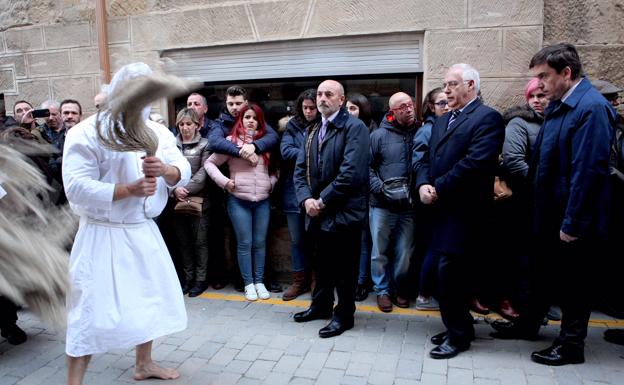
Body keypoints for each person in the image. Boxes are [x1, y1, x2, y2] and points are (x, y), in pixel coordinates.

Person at [62, 62, 191, 384]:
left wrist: (166, 172)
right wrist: (126, 190)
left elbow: (181, 168)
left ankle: (143, 363)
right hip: (101, 234)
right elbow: (75, 186)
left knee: (149, 300)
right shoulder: (86, 132)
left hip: (142, 230)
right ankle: (73, 381)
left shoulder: (157, 131)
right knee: (87, 311)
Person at [490, 43, 615, 366]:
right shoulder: (560, 106)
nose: (540, 85)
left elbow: (588, 172)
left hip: (570, 219)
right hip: (546, 213)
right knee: (541, 275)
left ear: (567, 73)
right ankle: (529, 326)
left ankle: (572, 345)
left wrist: (573, 223)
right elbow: (544, 162)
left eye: (544, 76)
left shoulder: (591, 108)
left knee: (574, 283)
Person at [417, 63, 504, 359]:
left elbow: (476, 163)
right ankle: (458, 326)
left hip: (465, 213)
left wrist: (439, 187)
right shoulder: (443, 119)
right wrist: (424, 185)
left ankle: (458, 336)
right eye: (445, 85)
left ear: (470, 85)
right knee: (445, 275)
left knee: (450, 274)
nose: (446, 90)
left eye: (452, 84)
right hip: (440, 210)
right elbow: (428, 159)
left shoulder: (487, 118)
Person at [293, 80, 369, 338]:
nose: (322, 98)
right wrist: (305, 200)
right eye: (319, 94)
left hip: (344, 212)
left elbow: (351, 174)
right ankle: (320, 306)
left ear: (341, 99)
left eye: (329, 94)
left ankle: (344, 315)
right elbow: (300, 171)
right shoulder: (312, 129)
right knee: (322, 265)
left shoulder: (355, 128)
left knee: (345, 270)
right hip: (316, 211)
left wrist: (321, 201)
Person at [204, 104, 277, 301]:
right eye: (247, 117)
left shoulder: (265, 143)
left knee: (260, 243)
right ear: (241, 120)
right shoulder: (231, 142)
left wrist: (271, 183)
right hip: (238, 200)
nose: (250, 120)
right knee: (245, 243)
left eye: (254, 117)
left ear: (260, 121)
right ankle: (249, 284)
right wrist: (225, 182)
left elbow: (276, 168)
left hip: (262, 200)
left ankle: (260, 281)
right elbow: (209, 163)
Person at [368, 92, 417, 312]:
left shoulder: (420, 131)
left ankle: (399, 289)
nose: (409, 109)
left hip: (409, 207)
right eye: (402, 107)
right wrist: (381, 189)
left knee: (405, 252)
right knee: (379, 252)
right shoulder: (378, 136)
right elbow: (366, 168)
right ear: (392, 112)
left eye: (410, 104)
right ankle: (382, 291)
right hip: (381, 205)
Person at [280, 89, 319, 301]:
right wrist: (310, 153)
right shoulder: (292, 127)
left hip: (316, 193)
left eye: (312, 108)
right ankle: (299, 281)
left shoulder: (324, 126)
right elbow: (285, 151)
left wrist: (303, 152)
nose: (308, 112)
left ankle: (315, 280)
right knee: (297, 241)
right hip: (293, 192)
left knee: (315, 240)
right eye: (305, 108)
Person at [412, 87, 448, 311]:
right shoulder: (428, 130)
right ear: (431, 107)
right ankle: (424, 295)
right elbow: (419, 163)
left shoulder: (446, 127)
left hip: (441, 198)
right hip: (430, 200)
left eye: (447, 102)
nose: (446, 106)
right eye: (441, 103)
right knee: (432, 248)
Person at [172, 108, 212, 297]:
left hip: (200, 201)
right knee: (183, 242)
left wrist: (184, 189)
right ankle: (188, 279)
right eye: (181, 124)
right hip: (177, 202)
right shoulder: (172, 145)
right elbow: (167, 169)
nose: (185, 128)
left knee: (200, 242)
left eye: (189, 124)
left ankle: (200, 279)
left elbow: (204, 172)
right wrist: (174, 190)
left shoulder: (205, 144)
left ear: (197, 125)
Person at [345, 92, 375, 302]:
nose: (348, 112)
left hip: (367, 195)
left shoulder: (373, 132)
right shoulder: (343, 131)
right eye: (346, 108)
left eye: (353, 108)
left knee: (364, 243)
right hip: (346, 196)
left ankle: (361, 282)